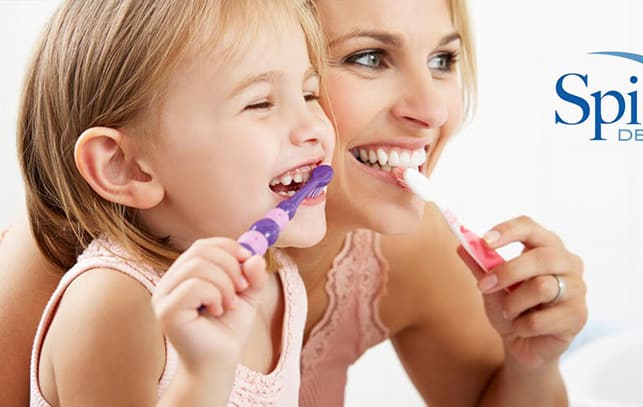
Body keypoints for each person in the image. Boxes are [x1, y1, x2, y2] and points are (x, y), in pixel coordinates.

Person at [0, 0, 588, 406]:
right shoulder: (102, 289)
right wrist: (203, 376)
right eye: (367, 58)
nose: (431, 113)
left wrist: (532, 360)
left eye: (444, 60)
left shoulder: (284, 281)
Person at [12, 0, 335, 405]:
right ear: (125, 168)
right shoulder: (112, 305)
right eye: (259, 103)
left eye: (309, 93)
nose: (314, 129)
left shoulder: (278, 278)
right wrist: (205, 375)